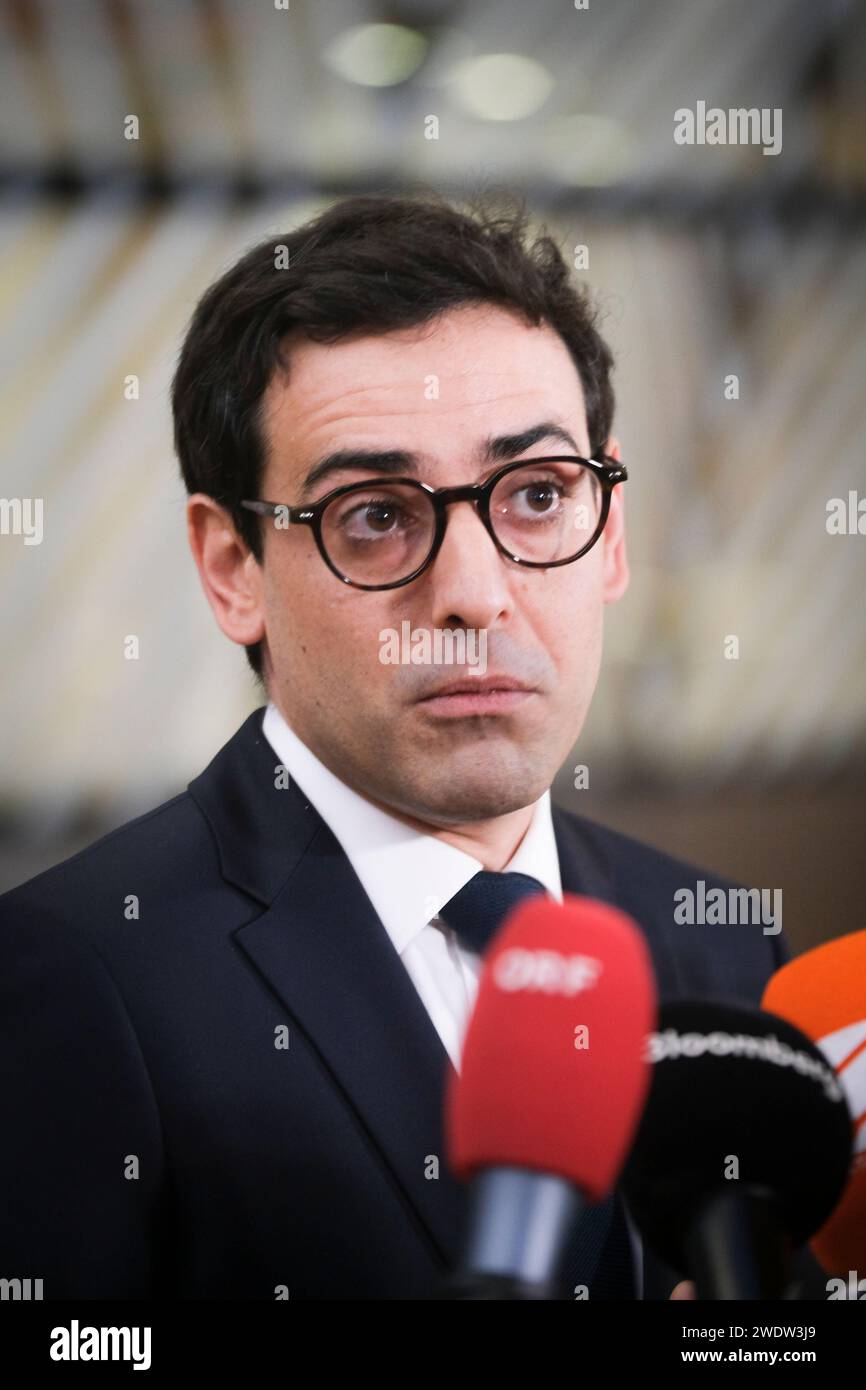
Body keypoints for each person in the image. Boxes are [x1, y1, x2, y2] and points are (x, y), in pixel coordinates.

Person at [0, 192, 791, 1299]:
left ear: (608, 531)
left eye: (534, 494)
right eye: (373, 512)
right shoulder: (72, 980)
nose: (472, 594)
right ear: (233, 567)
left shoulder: (730, 956)